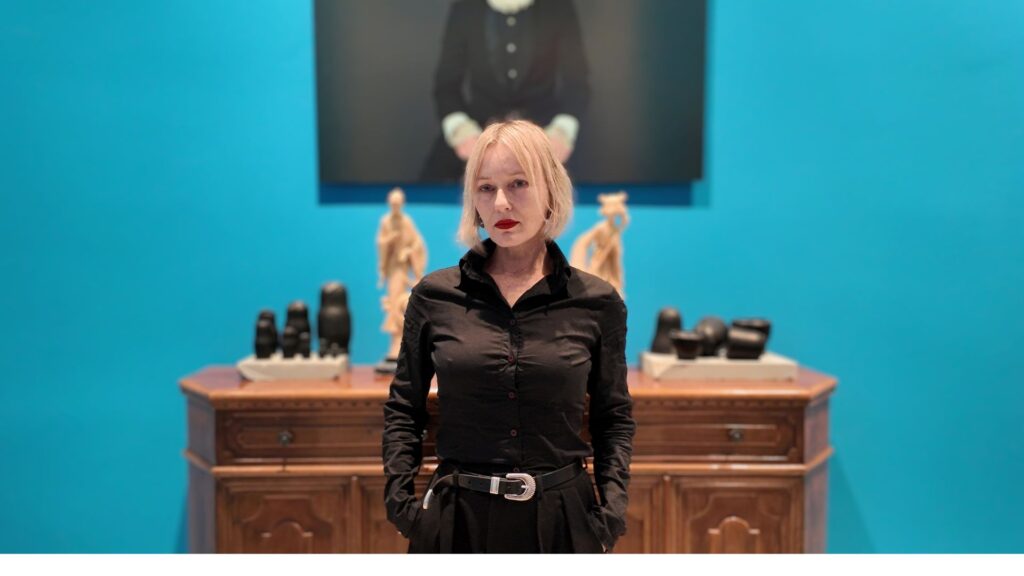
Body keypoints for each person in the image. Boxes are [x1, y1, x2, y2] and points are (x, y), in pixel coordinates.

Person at [383, 119, 635, 553]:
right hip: (456, 521)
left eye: (518, 183)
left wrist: (610, 515)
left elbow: (613, 418)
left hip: (562, 522)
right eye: (486, 188)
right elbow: (404, 409)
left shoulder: (597, 302)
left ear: (550, 190)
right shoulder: (434, 296)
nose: (501, 202)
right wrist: (403, 508)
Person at [420, 0, 590, 180]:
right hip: (479, 131)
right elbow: (446, 85)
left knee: (573, 187)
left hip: (544, 133)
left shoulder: (558, 7)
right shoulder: (466, 7)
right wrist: (461, 131)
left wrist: (561, 133)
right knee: (431, 186)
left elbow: (577, 82)